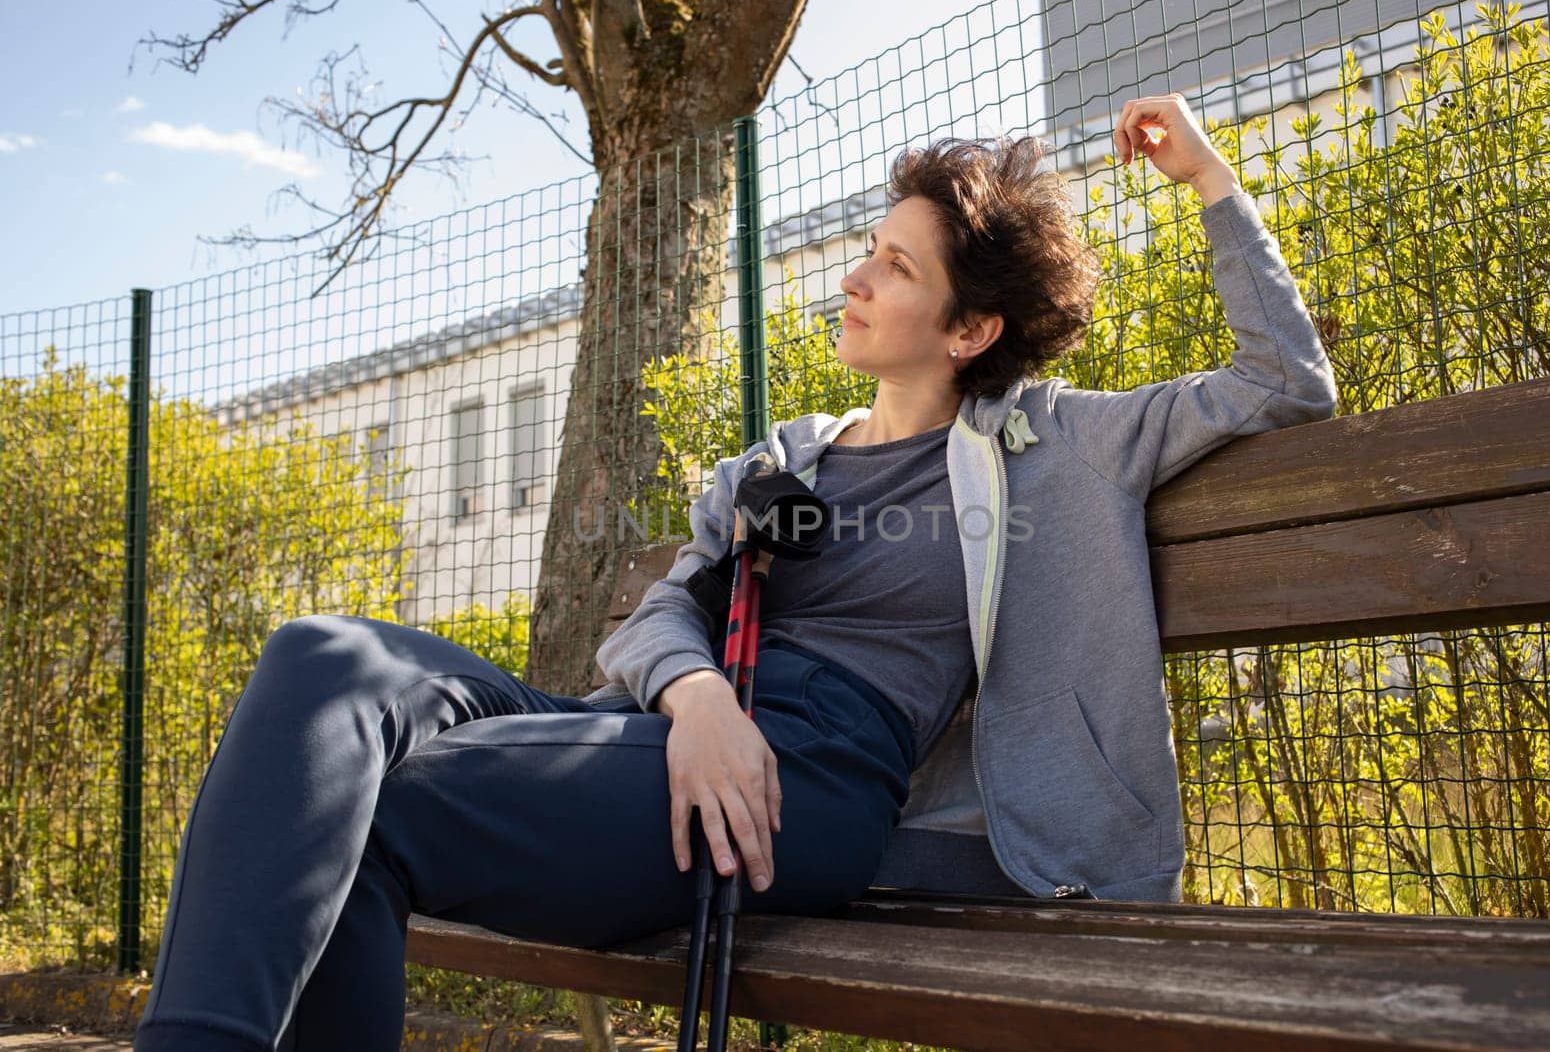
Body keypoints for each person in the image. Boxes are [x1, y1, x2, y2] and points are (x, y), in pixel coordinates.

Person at [133, 94, 1338, 1051]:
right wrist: (697, 698)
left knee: (367, 812)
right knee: (323, 655)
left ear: (970, 331)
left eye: (897, 269)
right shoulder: (787, 457)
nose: (855, 279)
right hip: (674, 729)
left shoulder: (1059, 446)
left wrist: (1205, 179)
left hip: (808, 779)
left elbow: (1285, 382)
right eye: (870, 252)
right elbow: (669, 608)